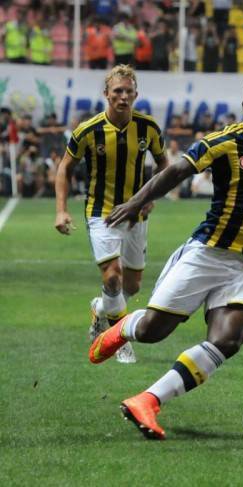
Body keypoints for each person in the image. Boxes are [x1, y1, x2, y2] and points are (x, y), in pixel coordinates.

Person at [86, 74, 243, 440]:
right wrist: (135, 202)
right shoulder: (224, 142)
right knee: (152, 331)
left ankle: (148, 400)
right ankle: (122, 327)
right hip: (208, 252)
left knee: (229, 339)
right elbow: (177, 170)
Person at [55, 65, 168, 363]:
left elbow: (164, 165)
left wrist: (151, 196)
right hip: (101, 213)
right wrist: (61, 210)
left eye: (128, 91)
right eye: (117, 91)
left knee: (131, 285)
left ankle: (100, 308)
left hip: (136, 216)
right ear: (106, 94)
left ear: (136, 95)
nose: (123, 96)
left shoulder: (148, 128)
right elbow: (64, 167)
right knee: (113, 278)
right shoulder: (88, 130)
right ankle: (119, 342)